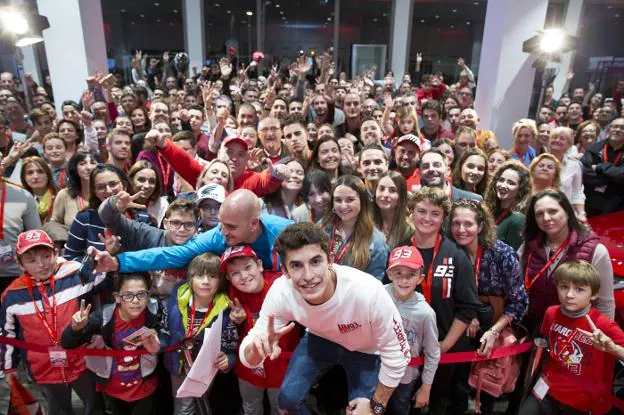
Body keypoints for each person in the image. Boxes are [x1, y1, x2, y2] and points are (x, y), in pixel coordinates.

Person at [238, 222, 410, 415]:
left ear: (329, 260)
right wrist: (256, 348)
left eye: (315, 262)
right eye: (296, 266)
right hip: (320, 338)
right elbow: (250, 355)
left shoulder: (367, 291)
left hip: (367, 350)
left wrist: (376, 406)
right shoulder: (281, 292)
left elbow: (398, 356)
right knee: (287, 401)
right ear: (285, 271)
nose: (308, 276)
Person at [0, 229, 106, 415]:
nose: (41, 265)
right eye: (31, 260)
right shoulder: (11, 296)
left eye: (46, 256)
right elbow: (7, 335)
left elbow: (106, 281)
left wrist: (109, 254)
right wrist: (9, 368)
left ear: (56, 253)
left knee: (94, 406)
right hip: (43, 368)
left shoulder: (75, 275)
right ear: (20, 264)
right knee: (58, 410)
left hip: (82, 361)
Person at [395, 186, 480, 415]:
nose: (427, 218)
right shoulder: (400, 250)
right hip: (406, 347)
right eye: (422, 211)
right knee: (403, 403)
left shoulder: (455, 255)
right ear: (411, 212)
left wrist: (443, 347)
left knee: (438, 402)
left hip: (445, 346)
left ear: (443, 218)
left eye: (435, 213)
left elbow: (468, 307)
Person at [91, 189, 293, 275]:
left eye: (231, 227)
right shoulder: (217, 236)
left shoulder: (286, 232)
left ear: (253, 223)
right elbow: (171, 255)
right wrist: (118, 262)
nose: (223, 232)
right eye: (221, 223)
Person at [448, 200, 528, 414]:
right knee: (456, 389)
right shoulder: (448, 252)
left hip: (495, 325)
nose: (461, 230)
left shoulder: (502, 253)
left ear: (481, 226)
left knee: (486, 392)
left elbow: (519, 300)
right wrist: (469, 315)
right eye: (456, 223)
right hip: (459, 327)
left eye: (468, 224)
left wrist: (494, 331)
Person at [517, 261, 624, 414]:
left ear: (593, 294)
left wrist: (614, 349)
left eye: (579, 290)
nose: (569, 295)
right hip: (547, 391)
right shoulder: (551, 313)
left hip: (583, 402)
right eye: (564, 287)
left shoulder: (603, 325)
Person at [61, 272, 161, 415]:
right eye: (128, 295)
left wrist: (157, 344)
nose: (135, 300)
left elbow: (167, 338)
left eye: (141, 294)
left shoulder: (154, 312)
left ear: (148, 295)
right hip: (113, 388)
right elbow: (67, 343)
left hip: (145, 385)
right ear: (117, 298)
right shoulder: (104, 317)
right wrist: (75, 328)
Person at [220, 245, 300, 415]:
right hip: (248, 367)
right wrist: (235, 321)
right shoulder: (231, 295)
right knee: (250, 407)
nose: (244, 276)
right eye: (235, 273)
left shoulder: (282, 285)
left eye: (248, 267)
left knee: (280, 409)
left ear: (260, 265)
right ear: (228, 278)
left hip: (282, 365)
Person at [521, 189, 615, 334]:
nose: (546, 218)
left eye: (553, 211)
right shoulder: (528, 247)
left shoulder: (595, 251)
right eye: (539, 214)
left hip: (574, 333)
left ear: (567, 212)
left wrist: (602, 339)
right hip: (532, 329)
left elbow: (605, 303)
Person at [160, 253, 239, 415]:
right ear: (190, 277)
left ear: (221, 280)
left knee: (202, 403)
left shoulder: (226, 310)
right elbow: (164, 333)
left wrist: (228, 360)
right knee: (183, 407)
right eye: (199, 275)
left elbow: (231, 348)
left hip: (206, 369)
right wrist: (156, 344)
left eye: (212, 276)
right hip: (178, 366)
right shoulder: (175, 302)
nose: (205, 281)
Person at [384, 245, 440, 414]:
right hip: (376, 371)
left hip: (405, 379)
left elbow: (432, 352)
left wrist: (426, 387)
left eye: (411, 275)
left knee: (399, 409)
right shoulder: (378, 296)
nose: (404, 280)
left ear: (420, 278)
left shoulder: (425, 313)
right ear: (389, 274)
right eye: (398, 273)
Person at [321, 175, 389, 281]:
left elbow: (373, 285)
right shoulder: (321, 229)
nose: (343, 206)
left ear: (362, 201)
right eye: (338, 200)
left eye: (350, 200)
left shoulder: (376, 241)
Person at [63, 164, 136, 260]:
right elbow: (69, 259)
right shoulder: (84, 219)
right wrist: (101, 257)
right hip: (94, 273)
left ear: (124, 185)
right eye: (101, 187)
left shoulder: (142, 217)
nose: (108, 191)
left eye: (113, 184)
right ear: (95, 192)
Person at [484, 160, 532, 250]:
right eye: (501, 180)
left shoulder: (518, 221)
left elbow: (515, 259)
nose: (503, 185)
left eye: (511, 183)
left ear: (521, 189)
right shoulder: (488, 212)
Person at [581, 117, 624, 217]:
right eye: (615, 127)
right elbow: (585, 173)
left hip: (617, 204)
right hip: (591, 202)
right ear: (609, 130)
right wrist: (612, 178)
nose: (617, 130)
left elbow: (622, 175)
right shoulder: (594, 148)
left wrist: (600, 167)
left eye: (622, 128)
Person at [51, 151, 101, 229]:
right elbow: (54, 225)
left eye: (93, 163)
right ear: (75, 168)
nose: (88, 167)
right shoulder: (64, 194)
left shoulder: (107, 193)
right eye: (82, 163)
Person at [546, 127, 586, 220]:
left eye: (562, 138)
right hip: (542, 211)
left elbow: (577, 192)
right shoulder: (538, 162)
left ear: (569, 145)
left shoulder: (575, 165)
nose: (557, 140)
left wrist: (581, 214)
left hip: (565, 214)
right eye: (554, 137)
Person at [373, 171, 414, 250]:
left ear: (401, 196)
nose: (385, 195)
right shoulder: (366, 224)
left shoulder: (410, 230)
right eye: (381, 189)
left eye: (392, 190)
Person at [128, 160, 169, 225]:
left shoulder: (161, 204)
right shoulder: (123, 201)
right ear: (131, 180)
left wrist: (156, 228)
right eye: (141, 180)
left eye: (152, 181)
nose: (147, 186)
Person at [20, 156, 57, 223]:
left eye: (40, 172)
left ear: (48, 175)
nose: (36, 176)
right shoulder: (20, 199)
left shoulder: (59, 195)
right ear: (24, 178)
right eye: (30, 173)